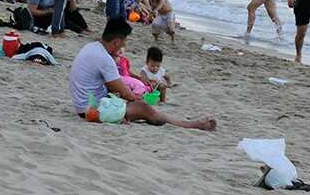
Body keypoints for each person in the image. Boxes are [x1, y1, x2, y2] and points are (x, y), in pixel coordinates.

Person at [68, 18, 215, 130]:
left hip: (84, 105)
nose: (124, 45)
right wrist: (136, 98)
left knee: (135, 105)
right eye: (124, 41)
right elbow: (125, 92)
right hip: (92, 110)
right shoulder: (105, 59)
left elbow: (111, 86)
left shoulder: (91, 47)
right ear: (117, 41)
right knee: (144, 107)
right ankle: (191, 125)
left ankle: (133, 115)